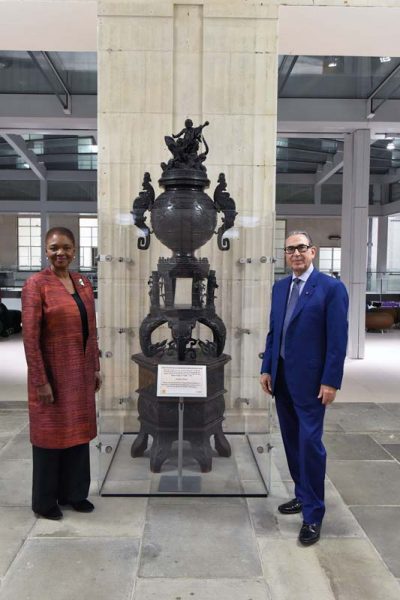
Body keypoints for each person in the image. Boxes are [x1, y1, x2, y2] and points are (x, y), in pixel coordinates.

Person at [260, 231, 348, 546]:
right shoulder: (280, 287)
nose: (295, 254)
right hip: (281, 379)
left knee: (310, 445)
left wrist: (331, 380)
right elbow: (274, 332)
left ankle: (313, 514)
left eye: (301, 248)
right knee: (292, 443)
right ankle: (301, 494)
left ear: (313, 251)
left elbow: (337, 341)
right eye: (290, 250)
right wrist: (267, 368)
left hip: (312, 384)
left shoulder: (331, 289)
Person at [22, 227, 101, 520]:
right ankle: (45, 502)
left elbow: (91, 330)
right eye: (55, 248)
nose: (61, 253)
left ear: (75, 250)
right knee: (50, 437)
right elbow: (30, 339)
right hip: (52, 375)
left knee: (78, 434)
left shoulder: (82, 282)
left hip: (79, 375)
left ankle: (75, 494)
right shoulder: (36, 285)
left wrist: (95, 368)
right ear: (46, 250)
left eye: (66, 248)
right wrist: (40, 381)